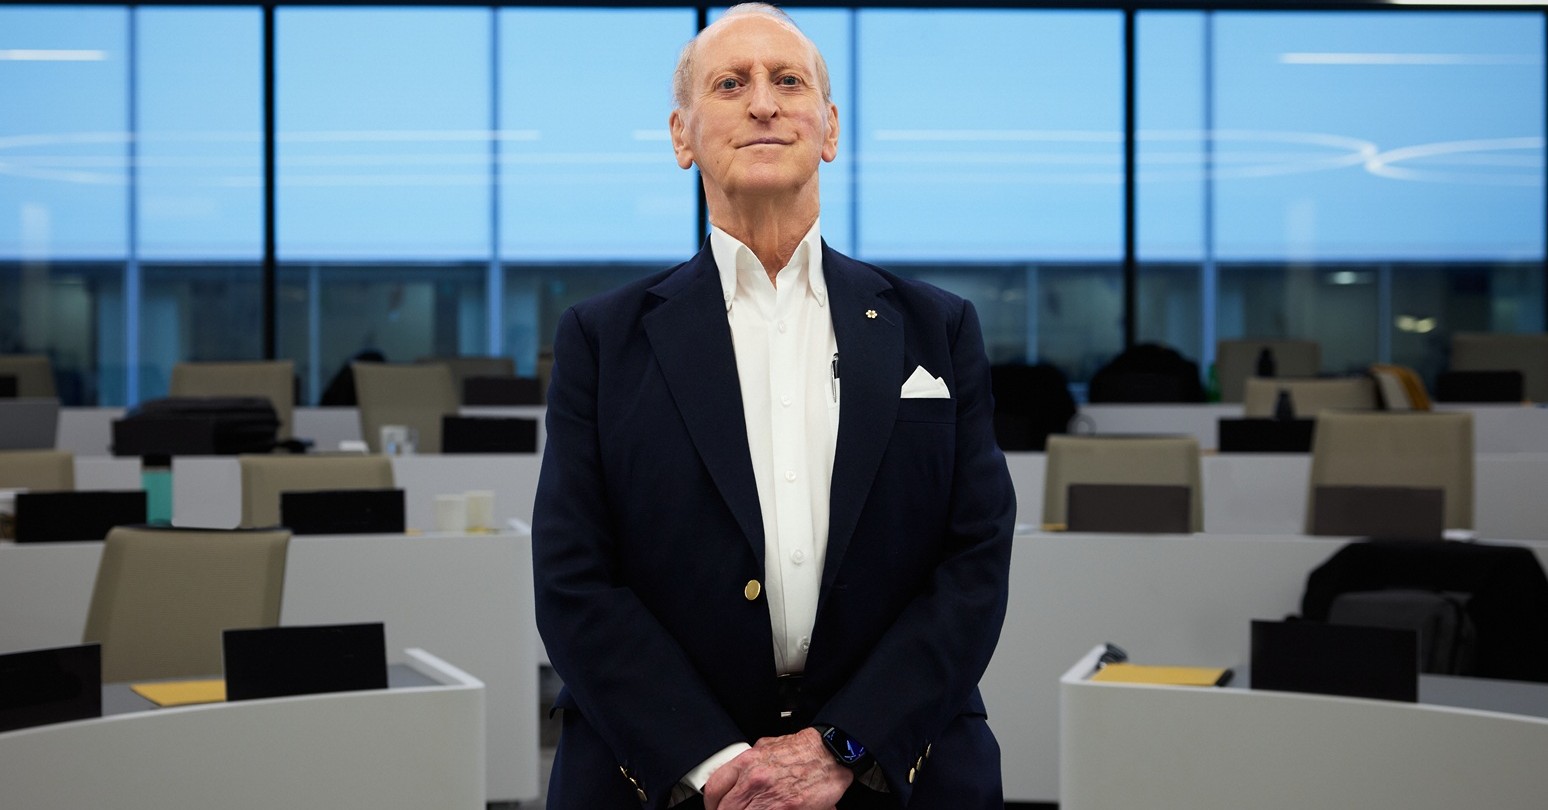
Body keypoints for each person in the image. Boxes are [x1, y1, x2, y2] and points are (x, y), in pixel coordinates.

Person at [532, 5, 1015, 808]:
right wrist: (718, 763)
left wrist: (841, 748)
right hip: (667, 771)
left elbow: (974, 565)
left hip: (893, 758)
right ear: (682, 137)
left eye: (788, 81)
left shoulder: (938, 327)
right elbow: (575, 581)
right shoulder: (601, 339)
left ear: (828, 128)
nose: (763, 102)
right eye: (731, 83)